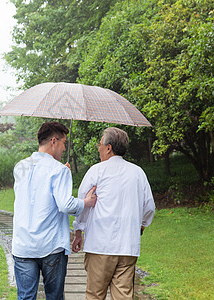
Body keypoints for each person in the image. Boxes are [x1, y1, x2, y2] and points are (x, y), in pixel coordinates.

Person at [12, 121, 97, 300]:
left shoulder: (20, 166)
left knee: (25, 297)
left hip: (23, 244)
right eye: (64, 142)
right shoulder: (59, 171)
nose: (64, 146)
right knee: (54, 297)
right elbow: (65, 205)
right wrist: (86, 202)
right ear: (53, 141)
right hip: (51, 245)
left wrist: (62, 174)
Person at [72, 127, 155, 300]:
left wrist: (78, 230)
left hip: (100, 246)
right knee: (123, 296)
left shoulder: (97, 171)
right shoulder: (138, 172)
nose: (98, 147)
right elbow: (149, 207)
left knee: (95, 295)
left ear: (109, 147)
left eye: (100, 143)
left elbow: (82, 201)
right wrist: (141, 225)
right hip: (128, 247)